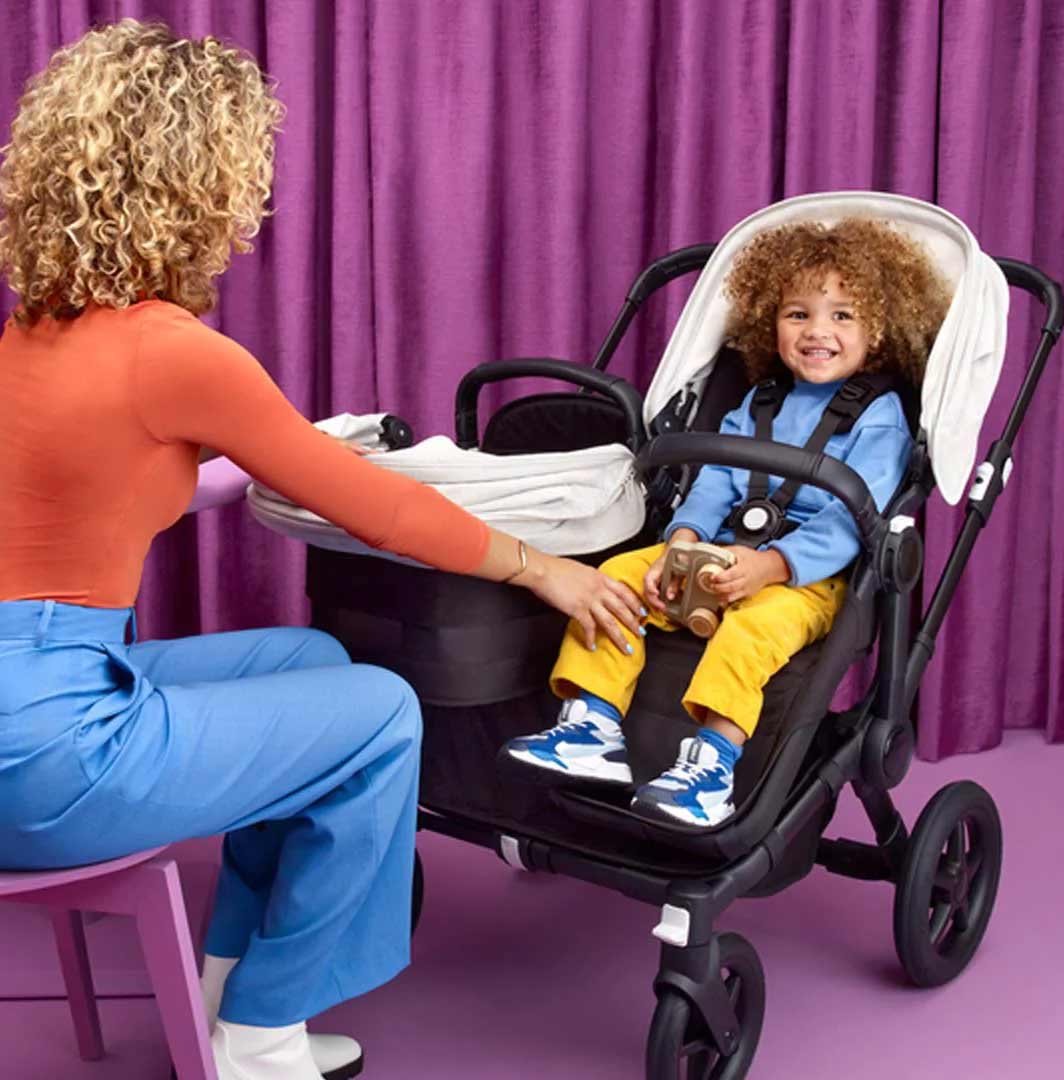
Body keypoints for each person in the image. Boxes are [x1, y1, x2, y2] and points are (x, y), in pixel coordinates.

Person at [0, 20, 644, 1080]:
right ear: (196, 183)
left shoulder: (37, 330)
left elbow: (125, 486)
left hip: (31, 695)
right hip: (51, 758)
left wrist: (281, 457)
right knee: (381, 710)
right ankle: (263, 1036)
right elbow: (382, 512)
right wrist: (543, 568)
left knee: (308, 660)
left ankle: (227, 993)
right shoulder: (176, 353)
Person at [505, 217, 951, 829]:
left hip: (805, 578)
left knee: (752, 629)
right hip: (716, 551)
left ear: (876, 332)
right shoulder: (757, 402)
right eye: (798, 314)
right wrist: (683, 541)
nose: (817, 331)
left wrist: (771, 565)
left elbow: (854, 521)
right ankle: (593, 724)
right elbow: (714, 481)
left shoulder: (879, 417)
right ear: (772, 323)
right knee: (615, 578)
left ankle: (712, 765)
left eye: (843, 316)